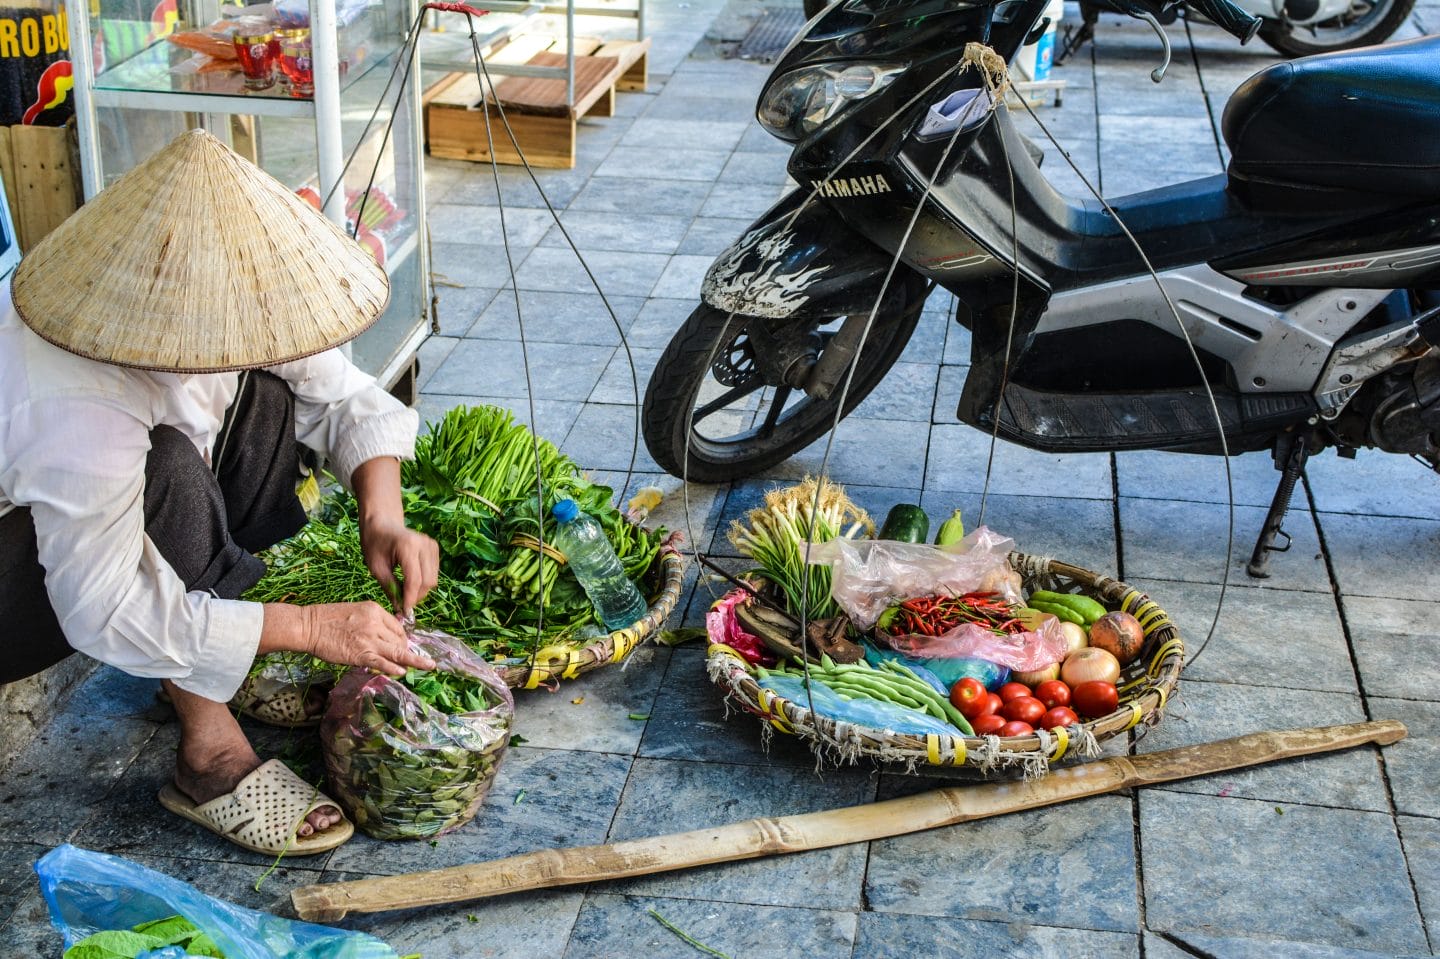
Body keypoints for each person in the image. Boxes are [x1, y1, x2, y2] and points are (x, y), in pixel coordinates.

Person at [0, 129, 439, 856]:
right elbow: (104, 608)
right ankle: (207, 750)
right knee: (169, 468)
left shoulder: (225, 293)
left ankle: (195, 661)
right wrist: (311, 628)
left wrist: (383, 520)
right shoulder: (75, 396)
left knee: (266, 400)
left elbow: (345, 398)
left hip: (93, 524)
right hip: (16, 586)